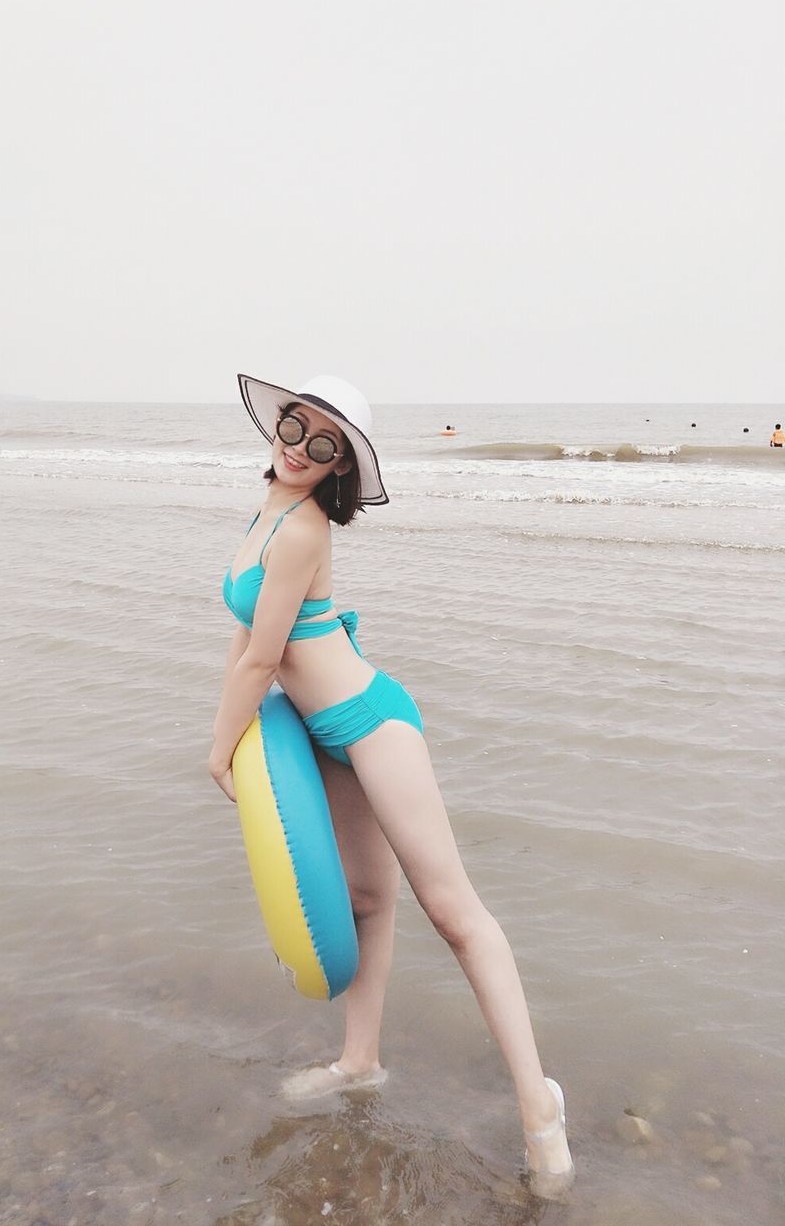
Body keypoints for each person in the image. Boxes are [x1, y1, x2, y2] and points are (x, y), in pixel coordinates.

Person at [210, 375, 574, 1196]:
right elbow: (243, 639)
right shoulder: (264, 507)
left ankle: (538, 1106)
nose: (299, 448)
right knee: (369, 902)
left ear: (340, 467)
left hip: (371, 724)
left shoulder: (302, 527)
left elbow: (268, 659)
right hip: (321, 732)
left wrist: (216, 747)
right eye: (295, 428)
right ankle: (360, 1062)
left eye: (322, 446)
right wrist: (227, 724)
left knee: (455, 914)